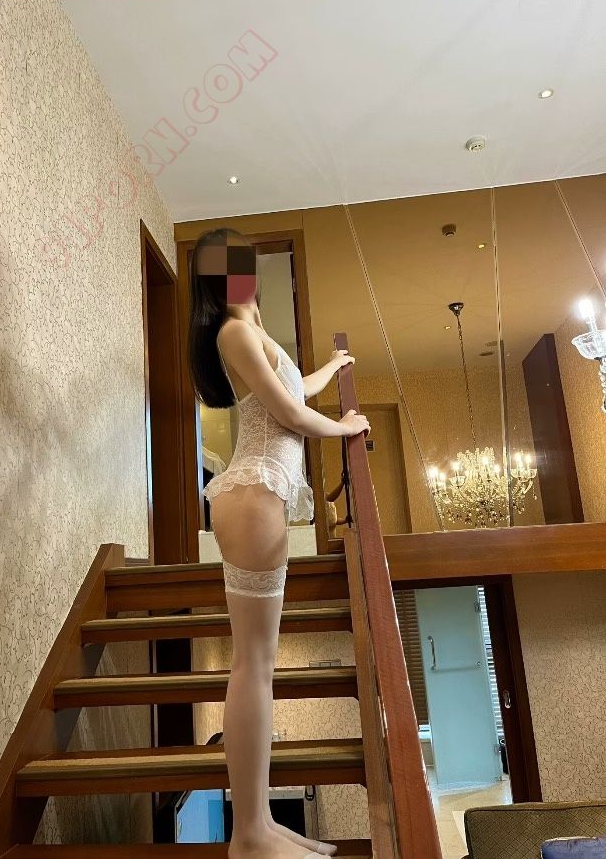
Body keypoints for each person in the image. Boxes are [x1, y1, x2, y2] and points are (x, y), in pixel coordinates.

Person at [188, 228, 370, 859]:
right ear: (215, 280)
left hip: (258, 495)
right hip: (254, 493)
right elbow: (291, 417)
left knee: (258, 666)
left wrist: (333, 370)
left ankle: (260, 823)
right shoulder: (233, 334)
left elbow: (294, 392)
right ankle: (249, 834)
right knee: (252, 665)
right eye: (230, 267)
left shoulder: (253, 333)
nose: (244, 276)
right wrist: (345, 426)